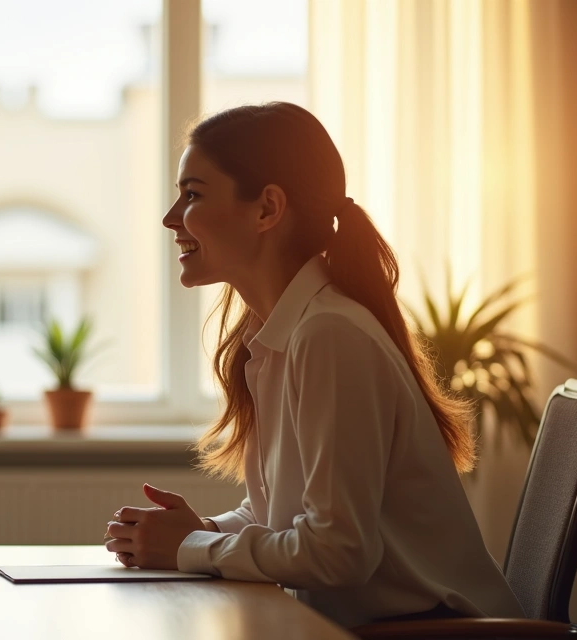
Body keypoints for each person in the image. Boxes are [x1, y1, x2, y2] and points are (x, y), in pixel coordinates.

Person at [103, 102, 523, 628]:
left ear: (267, 209)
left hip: (437, 633)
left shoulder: (329, 335)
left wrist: (192, 548)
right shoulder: (284, 333)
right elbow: (283, 513)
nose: (171, 218)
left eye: (192, 195)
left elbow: (337, 552)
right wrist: (202, 529)